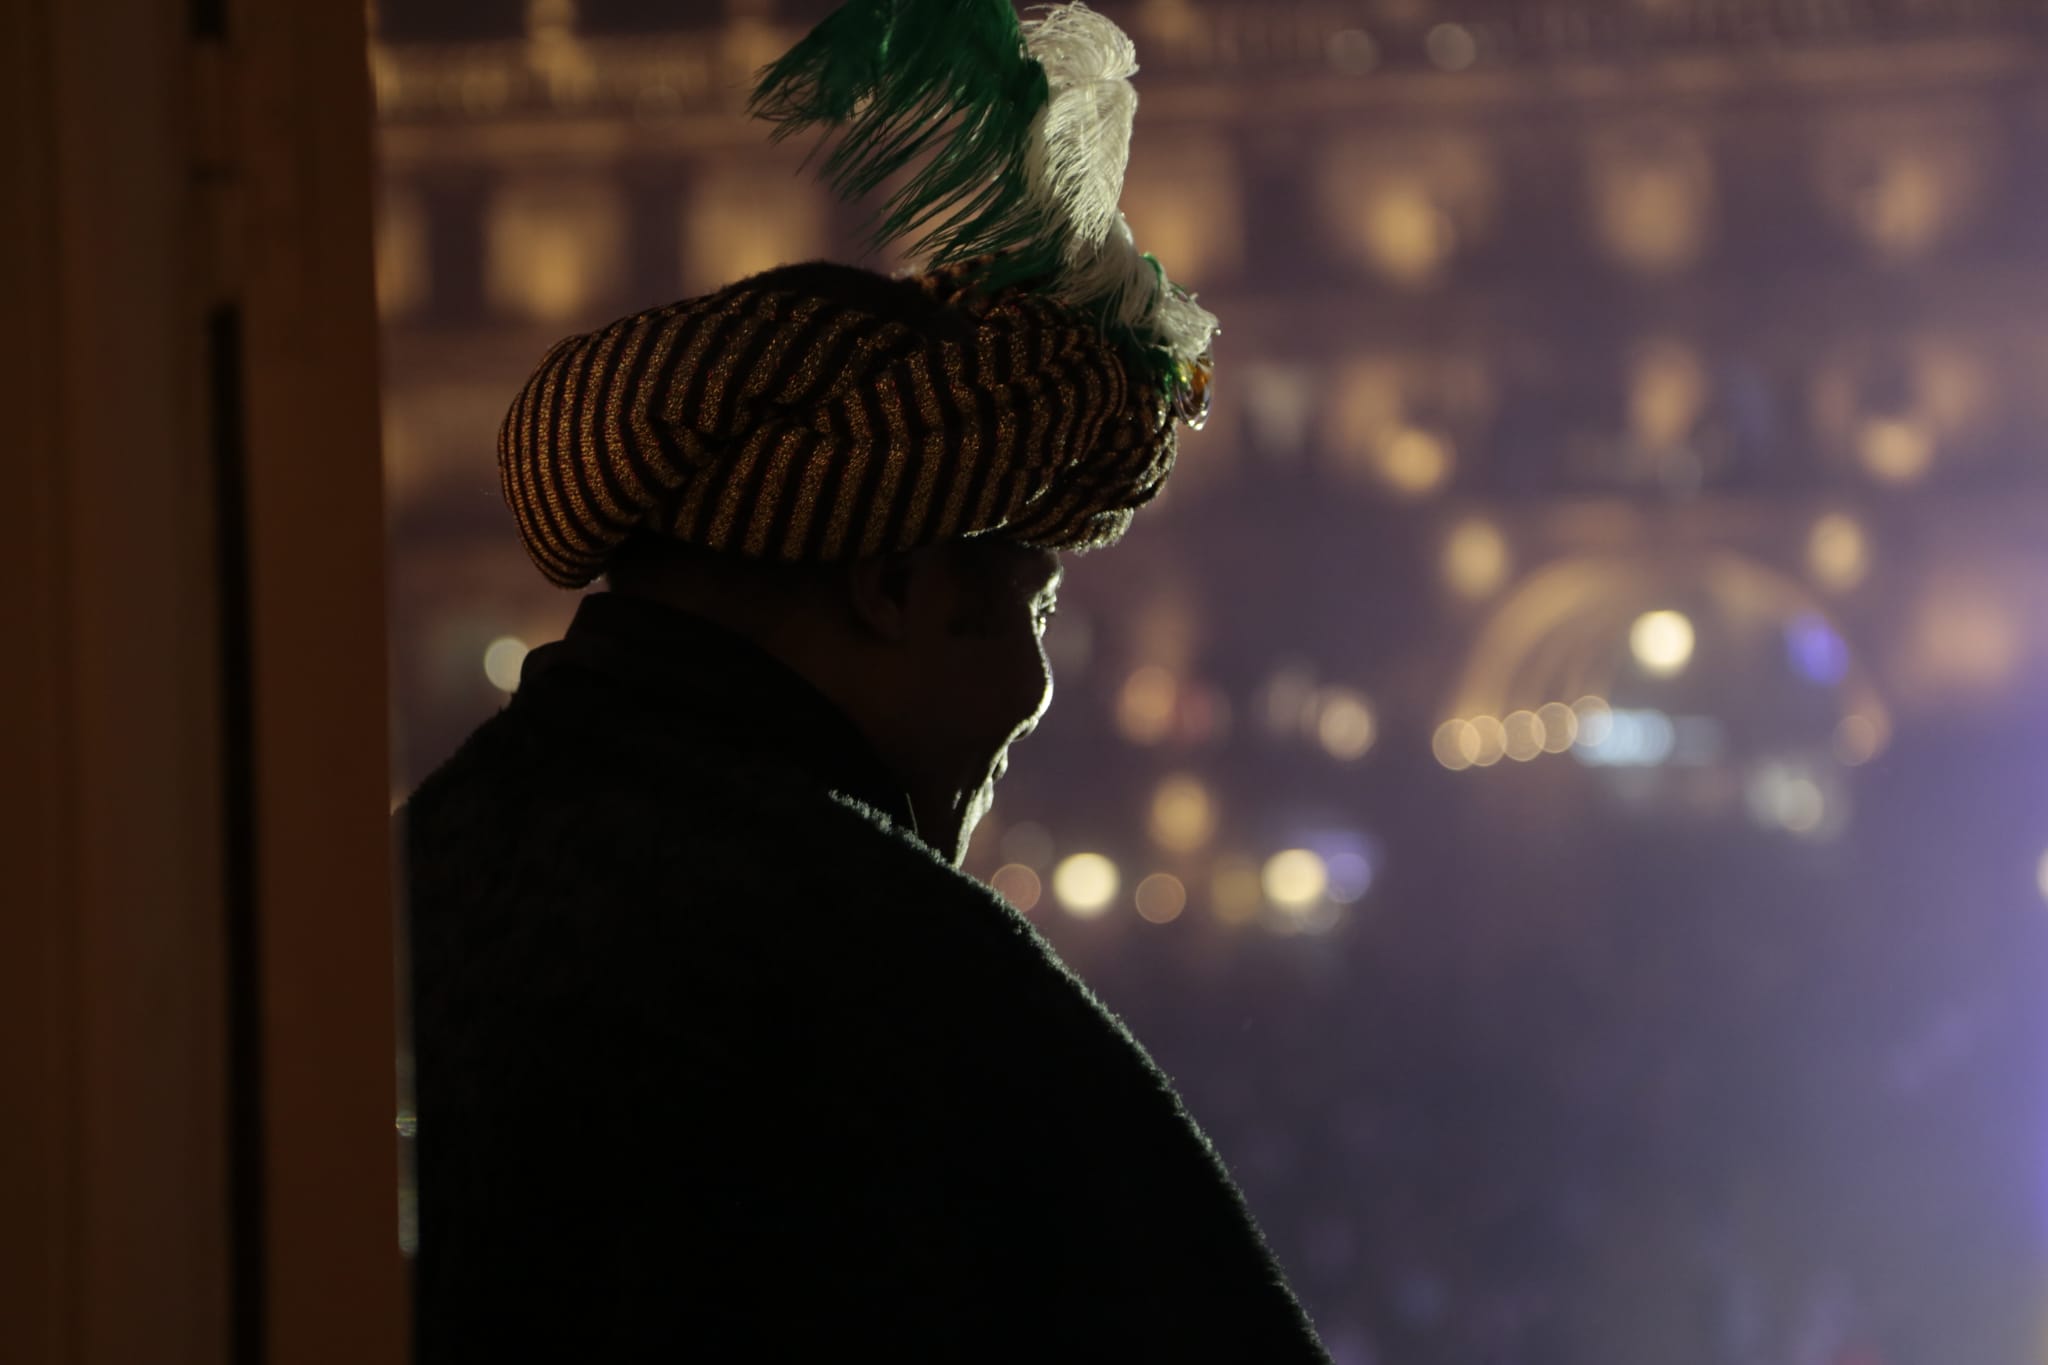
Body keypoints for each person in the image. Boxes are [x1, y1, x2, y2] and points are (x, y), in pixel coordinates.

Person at [402, 3, 1330, 1359]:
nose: (1034, 687)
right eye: (1030, 605)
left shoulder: (425, 871)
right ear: (892, 585)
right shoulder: (900, 981)